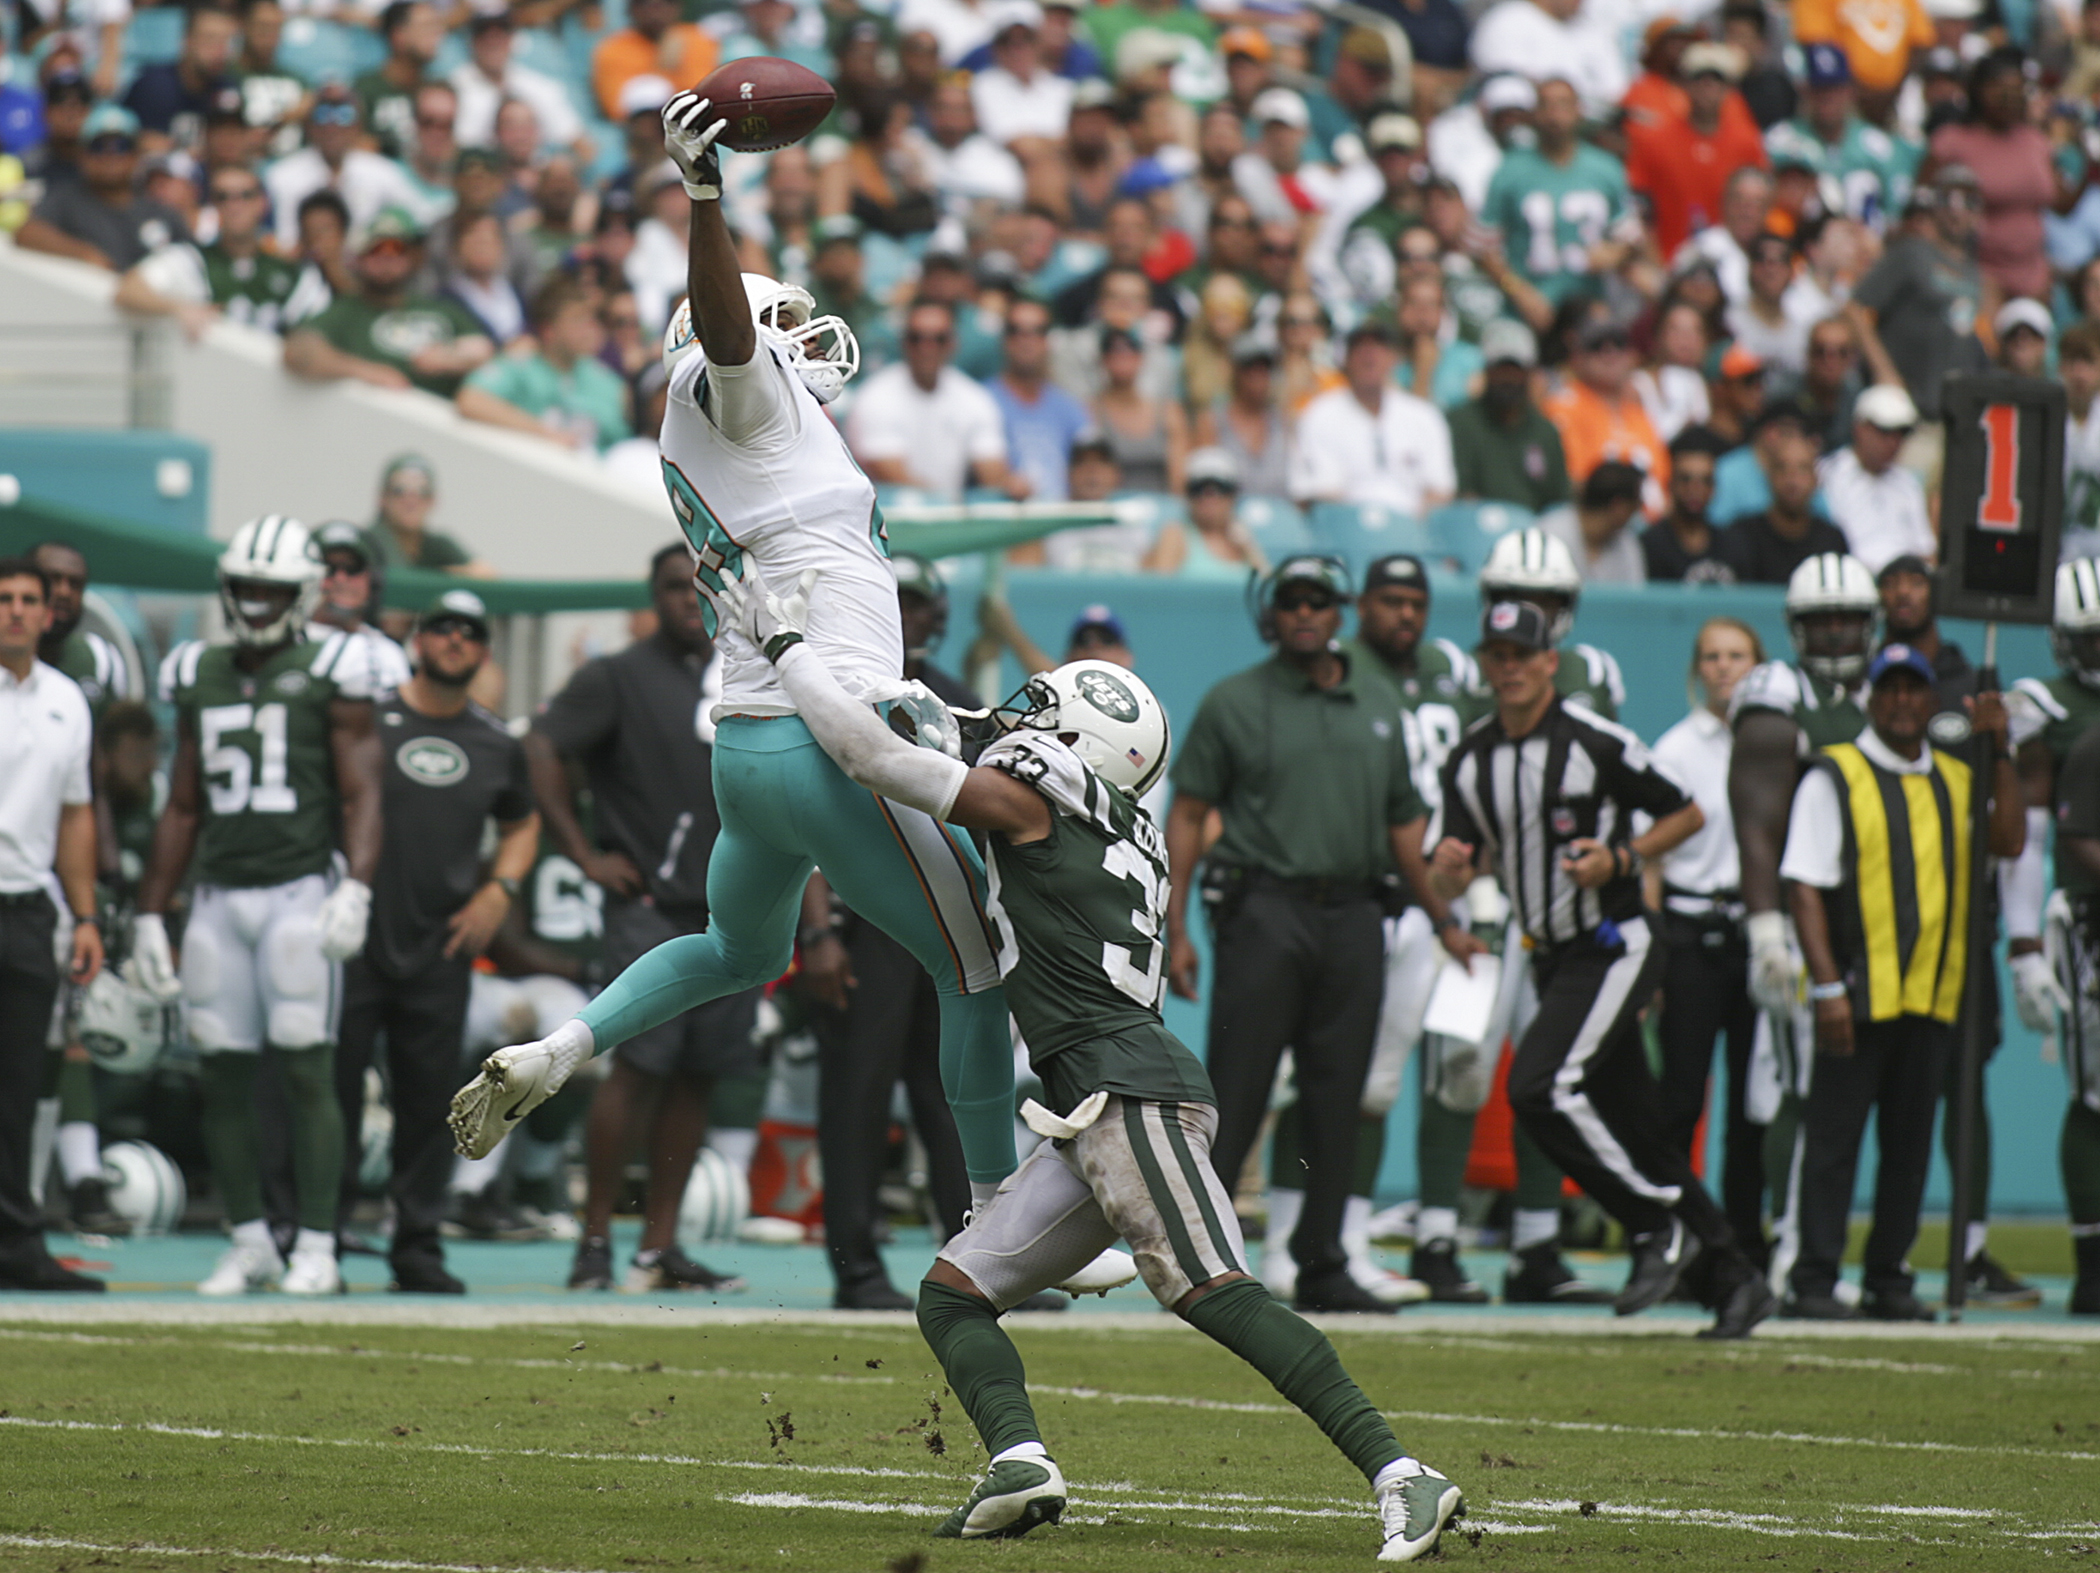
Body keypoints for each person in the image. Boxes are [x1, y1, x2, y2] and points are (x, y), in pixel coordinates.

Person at [450, 93, 1133, 1298]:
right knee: (976, 966)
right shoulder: (737, 397)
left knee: (733, 944)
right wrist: (707, 200)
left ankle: (564, 1046)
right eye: (793, 329)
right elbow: (724, 336)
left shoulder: (734, 444)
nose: (812, 346)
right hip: (830, 740)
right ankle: (997, 1219)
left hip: (751, 754)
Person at [709, 562, 1468, 1561]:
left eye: (1042, 719)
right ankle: (1019, 1460)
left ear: (1072, 750)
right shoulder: (1113, 816)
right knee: (953, 1293)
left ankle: (1403, 1473)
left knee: (1213, 1288)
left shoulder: (1041, 803)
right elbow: (957, 721)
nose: (1019, 724)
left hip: (1129, 1093)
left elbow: (878, 762)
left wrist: (787, 650)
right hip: (1088, 1104)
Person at [1433, 600, 1774, 1340]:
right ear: (1486, 664)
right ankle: (1737, 1277)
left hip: (1616, 940)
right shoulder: (1471, 757)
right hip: (1553, 956)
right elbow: (1450, 873)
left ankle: (1655, 1226)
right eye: (1498, 653)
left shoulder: (1595, 740)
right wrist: (1451, 871)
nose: (1511, 665)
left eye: (1524, 652)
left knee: (1538, 1086)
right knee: (1640, 1129)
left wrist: (1621, 858)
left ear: (1551, 660)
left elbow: (1686, 813)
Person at [1164, 556, 1479, 1314]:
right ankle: (1203, 1260)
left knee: (1338, 1094)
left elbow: (1406, 827)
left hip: (1357, 914)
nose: (1304, 613)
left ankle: (1325, 1259)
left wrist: (1442, 915)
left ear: (1339, 611)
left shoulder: (1377, 701)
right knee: (1239, 1085)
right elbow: (1186, 813)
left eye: (1317, 601)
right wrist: (1174, 927)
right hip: (1264, 909)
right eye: (1290, 601)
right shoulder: (1234, 701)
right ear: (1271, 613)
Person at [126, 517, 385, 1298]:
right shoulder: (195, 670)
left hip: (299, 892)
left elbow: (363, 787)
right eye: (246, 587)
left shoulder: (333, 663)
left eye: (274, 589)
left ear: (302, 593)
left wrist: (357, 883)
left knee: (309, 1068)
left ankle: (314, 1242)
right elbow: (179, 806)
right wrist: (149, 911)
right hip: (216, 897)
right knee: (223, 1075)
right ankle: (249, 1240)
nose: (259, 602)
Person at [516, 546, 754, 1293]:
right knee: (636, 1072)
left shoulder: (746, 673)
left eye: (700, 586)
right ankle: (593, 1241)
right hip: (649, 911)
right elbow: (542, 745)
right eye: (673, 588)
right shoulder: (617, 675)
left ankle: (657, 1247)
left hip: (734, 911)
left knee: (695, 1079)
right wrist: (584, 852)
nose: (690, 599)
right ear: (652, 597)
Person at [1778, 645, 2024, 1320]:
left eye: (1915, 689)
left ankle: (1889, 1277)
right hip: (1858, 995)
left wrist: (1996, 745)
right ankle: (1814, 1278)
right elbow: (1803, 885)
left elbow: (2008, 839)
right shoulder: (1836, 774)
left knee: (1909, 1148)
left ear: (1931, 700)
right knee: (1833, 1143)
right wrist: (1827, 987)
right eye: (1890, 689)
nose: (1903, 701)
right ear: (1872, 698)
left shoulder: (1956, 776)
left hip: (1932, 993)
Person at [335, 589, 537, 1295]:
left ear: (483, 650)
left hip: (440, 947)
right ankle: (315, 1237)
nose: (454, 639)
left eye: (469, 632)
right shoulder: (369, 720)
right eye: (441, 627)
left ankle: (415, 1244)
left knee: (428, 1104)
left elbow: (523, 822)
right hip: (355, 938)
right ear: (417, 640)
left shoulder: (493, 740)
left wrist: (499, 890)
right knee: (332, 1092)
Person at [804, 556, 978, 1311]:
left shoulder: (961, 703)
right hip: (865, 920)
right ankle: (856, 1265)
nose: (904, 615)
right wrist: (817, 932)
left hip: (943, 921)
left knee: (956, 1095)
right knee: (858, 1094)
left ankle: (978, 1260)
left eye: (916, 602)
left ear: (939, 615)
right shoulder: (832, 690)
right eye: (892, 600)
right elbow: (800, 815)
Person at [1647, 617, 1767, 1263]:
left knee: (1754, 1104)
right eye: (1712, 656)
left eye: (1737, 655)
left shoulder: (1775, 740)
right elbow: (1652, 862)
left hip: (1756, 933)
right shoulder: (1676, 747)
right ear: (1697, 669)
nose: (1724, 668)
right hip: (1692, 930)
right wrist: (1655, 952)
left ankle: (1745, 1238)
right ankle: (1676, 1232)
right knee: (1680, 1097)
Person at [0, 558, 104, 1292]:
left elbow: (76, 815)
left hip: (30, 909)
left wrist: (86, 913)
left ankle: (16, 1242)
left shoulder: (69, 700)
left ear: (48, 613)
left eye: (26, 600)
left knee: (17, 1088)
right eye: (2, 598)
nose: (14, 610)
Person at [283, 209, 495, 399]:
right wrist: (365, 372)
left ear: (414, 258)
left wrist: (449, 358)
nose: (387, 259)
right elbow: (299, 350)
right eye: (376, 250)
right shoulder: (347, 311)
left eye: (397, 250)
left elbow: (484, 350)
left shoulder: (440, 309)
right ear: (360, 257)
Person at [1846, 165, 1987, 443]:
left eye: (1968, 201)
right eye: (1948, 199)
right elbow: (1855, 309)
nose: (1957, 210)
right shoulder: (1912, 252)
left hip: (1953, 419)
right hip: (1906, 413)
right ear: (1934, 205)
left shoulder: (1976, 275)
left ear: (1979, 213)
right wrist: (1883, 370)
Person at [1481, 76, 1641, 311]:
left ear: (1579, 111)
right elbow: (1484, 250)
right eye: (1546, 105)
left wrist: (1615, 253)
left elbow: (1630, 239)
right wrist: (1519, 292)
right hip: (1527, 305)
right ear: (1533, 114)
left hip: (1589, 305)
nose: (1555, 115)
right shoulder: (1509, 170)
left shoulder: (1606, 168)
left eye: (1563, 104)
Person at [850, 298, 1018, 502]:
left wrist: (1009, 486)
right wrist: (954, 503)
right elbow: (889, 475)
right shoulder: (875, 396)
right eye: (917, 338)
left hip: (950, 519)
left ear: (953, 343)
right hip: (887, 521)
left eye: (938, 339)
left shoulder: (974, 397)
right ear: (904, 342)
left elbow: (992, 473)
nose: (927, 348)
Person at [116, 160, 305, 336]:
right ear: (213, 206)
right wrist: (179, 308)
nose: (234, 206)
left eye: (245, 196)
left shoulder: (290, 270)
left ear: (263, 203)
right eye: (223, 197)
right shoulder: (190, 259)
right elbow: (129, 290)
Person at [1930, 52, 2059, 303]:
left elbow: (2060, 201)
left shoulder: (2035, 140)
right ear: (1978, 90)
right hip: (1979, 272)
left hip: (2034, 273)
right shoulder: (1954, 141)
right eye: (1999, 88)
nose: (2007, 97)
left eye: (2016, 89)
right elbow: (1923, 202)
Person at [1624, 40, 1769, 261]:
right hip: (1670, 261)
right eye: (1700, 78)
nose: (1708, 86)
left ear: (1729, 88)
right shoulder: (1655, 140)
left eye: (1717, 79)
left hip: (1730, 264)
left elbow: (1760, 205)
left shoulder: (1747, 142)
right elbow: (1640, 210)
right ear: (1684, 84)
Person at [1288, 322, 1455, 513]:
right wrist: (1372, 526)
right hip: (1344, 530)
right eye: (1360, 348)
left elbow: (1441, 490)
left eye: (1378, 348)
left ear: (1394, 358)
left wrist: (1402, 527)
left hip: (1412, 532)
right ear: (1346, 359)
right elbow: (1317, 492)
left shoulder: (1423, 416)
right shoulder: (1319, 414)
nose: (1369, 356)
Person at [458, 275, 633, 453]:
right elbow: (471, 400)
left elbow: (622, 445)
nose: (589, 329)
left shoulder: (608, 382)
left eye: (592, 320)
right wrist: (545, 434)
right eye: (578, 320)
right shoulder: (521, 365)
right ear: (549, 330)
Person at [1763, 45, 1917, 232]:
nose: (1827, 98)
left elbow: (1897, 211)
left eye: (1835, 88)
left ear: (1850, 90)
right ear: (1805, 91)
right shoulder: (1779, 141)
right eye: (1819, 89)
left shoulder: (1878, 146)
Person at [17, 105, 188, 272]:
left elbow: (194, 263)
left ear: (136, 156)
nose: (110, 155)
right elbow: (27, 232)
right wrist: (84, 254)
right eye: (98, 146)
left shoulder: (161, 212)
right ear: (82, 155)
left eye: (121, 145)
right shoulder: (66, 199)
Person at [262, 87, 420, 253]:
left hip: (365, 272)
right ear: (309, 126)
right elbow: (280, 241)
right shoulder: (281, 176)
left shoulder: (383, 172)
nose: (333, 125)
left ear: (358, 126)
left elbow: (417, 220)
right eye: (322, 114)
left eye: (345, 115)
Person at [1541, 318, 1669, 509]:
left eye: (1619, 344)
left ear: (1633, 356)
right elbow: (1572, 482)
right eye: (1597, 346)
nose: (1610, 353)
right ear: (1576, 358)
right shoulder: (1563, 406)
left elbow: (1662, 480)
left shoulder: (1638, 413)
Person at [1448, 319, 1571, 511]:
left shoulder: (1545, 432)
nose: (1508, 378)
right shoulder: (1458, 423)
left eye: (1516, 370)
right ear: (1487, 371)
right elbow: (1459, 494)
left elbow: (1558, 502)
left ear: (1530, 373)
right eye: (1501, 369)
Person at [1818, 384, 1934, 574]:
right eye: (1885, 431)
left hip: (1905, 580)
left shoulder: (1908, 482)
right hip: (1852, 577)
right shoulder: (1829, 473)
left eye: (1902, 432)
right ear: (1859, 428)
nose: (1894, 442)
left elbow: (1926, 548)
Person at [986, 295, 1091, 503]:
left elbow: (1092, 464)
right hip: (1007, 523)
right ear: (1004, 339)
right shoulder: (980, 401)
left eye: (1037, 331)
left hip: (1063, 523)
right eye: (1016, 331)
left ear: (1048, 340)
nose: (1026, 340)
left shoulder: (1069, 407)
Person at [1715, 426, 1850, 584]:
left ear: (1816, 479)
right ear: (1768, 476)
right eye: (1782, 468)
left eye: (1802, 469)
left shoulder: (1832, 540)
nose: (1792, 481)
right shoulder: (1740, 536)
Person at [309, 522, 413, 692]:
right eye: (328, 568)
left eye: (352, 568)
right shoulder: (285, 641)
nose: (340, 579)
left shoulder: (389, 654)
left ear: (373, 581)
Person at [361, 455, 493, 577]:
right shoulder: (370, 541)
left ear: (433, 500)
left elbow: (486, 574)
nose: (411, 501)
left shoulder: (436, 544)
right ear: (382, 498)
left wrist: (453, 575)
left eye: (422, 492)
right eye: (399, 491)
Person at [1148, 447, 1268, 579]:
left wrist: (1249, 548)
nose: (1208, 497)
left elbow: (1266, 587)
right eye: (1198, 488)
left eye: (1219, 488)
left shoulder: (1243, 540)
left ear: (1233, 494)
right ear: (1188, 494)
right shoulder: (1175, 535)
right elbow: (1159, 593)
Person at [591, 0, 719, 123]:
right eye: (645, 3)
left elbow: (704, 99)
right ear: (631, 9)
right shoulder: (613, 48)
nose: (655, 11)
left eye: (665, 2)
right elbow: (616, 110)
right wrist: (662, 68)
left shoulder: (698, 38)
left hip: (694, 124)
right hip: (638, 134)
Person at [1641, 426, 1736, 583]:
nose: (1695, 490)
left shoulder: (1732, 545)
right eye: (1686, 479)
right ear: (1670, 484)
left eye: (1705, 481)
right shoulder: (1650, 545)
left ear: (1714, 488)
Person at [1543, 460, 1647, 584]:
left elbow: (1635, 599)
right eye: (1636, 505)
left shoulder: (1627, 544)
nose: (1637, 513)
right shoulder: (1549, 535)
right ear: (1619, 507)